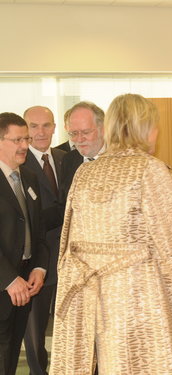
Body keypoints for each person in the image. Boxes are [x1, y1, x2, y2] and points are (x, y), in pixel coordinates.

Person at [49, 93, 172, 374]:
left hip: (93, 297)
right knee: (142, 362)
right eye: (154, 126)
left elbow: (69, 239)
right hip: (138, 295)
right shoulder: (149, 169)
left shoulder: (86, 172)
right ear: (144, 127)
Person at [0, 112, 49, 375]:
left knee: (10, 360)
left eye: (26, 139)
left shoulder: (29, 177)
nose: (24, 146)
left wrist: (39, 268)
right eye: (17, 139)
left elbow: (38, 230)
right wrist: (9, 279)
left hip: (25, 287)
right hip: (4, 286)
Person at [22, 106, 66, 375]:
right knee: (35, 330)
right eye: (34, 126)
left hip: (71, 259)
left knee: (70, 325)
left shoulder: (66, 158)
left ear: (54, 127)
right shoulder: (18, 162)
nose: (41, 132)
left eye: (46, 125)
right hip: (37, 261)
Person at [58, 102, 105, 204]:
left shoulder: (120, 160)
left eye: (86, 132)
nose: (79, 139)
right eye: (74, 133)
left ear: (103, 129)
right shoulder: (68, 160)